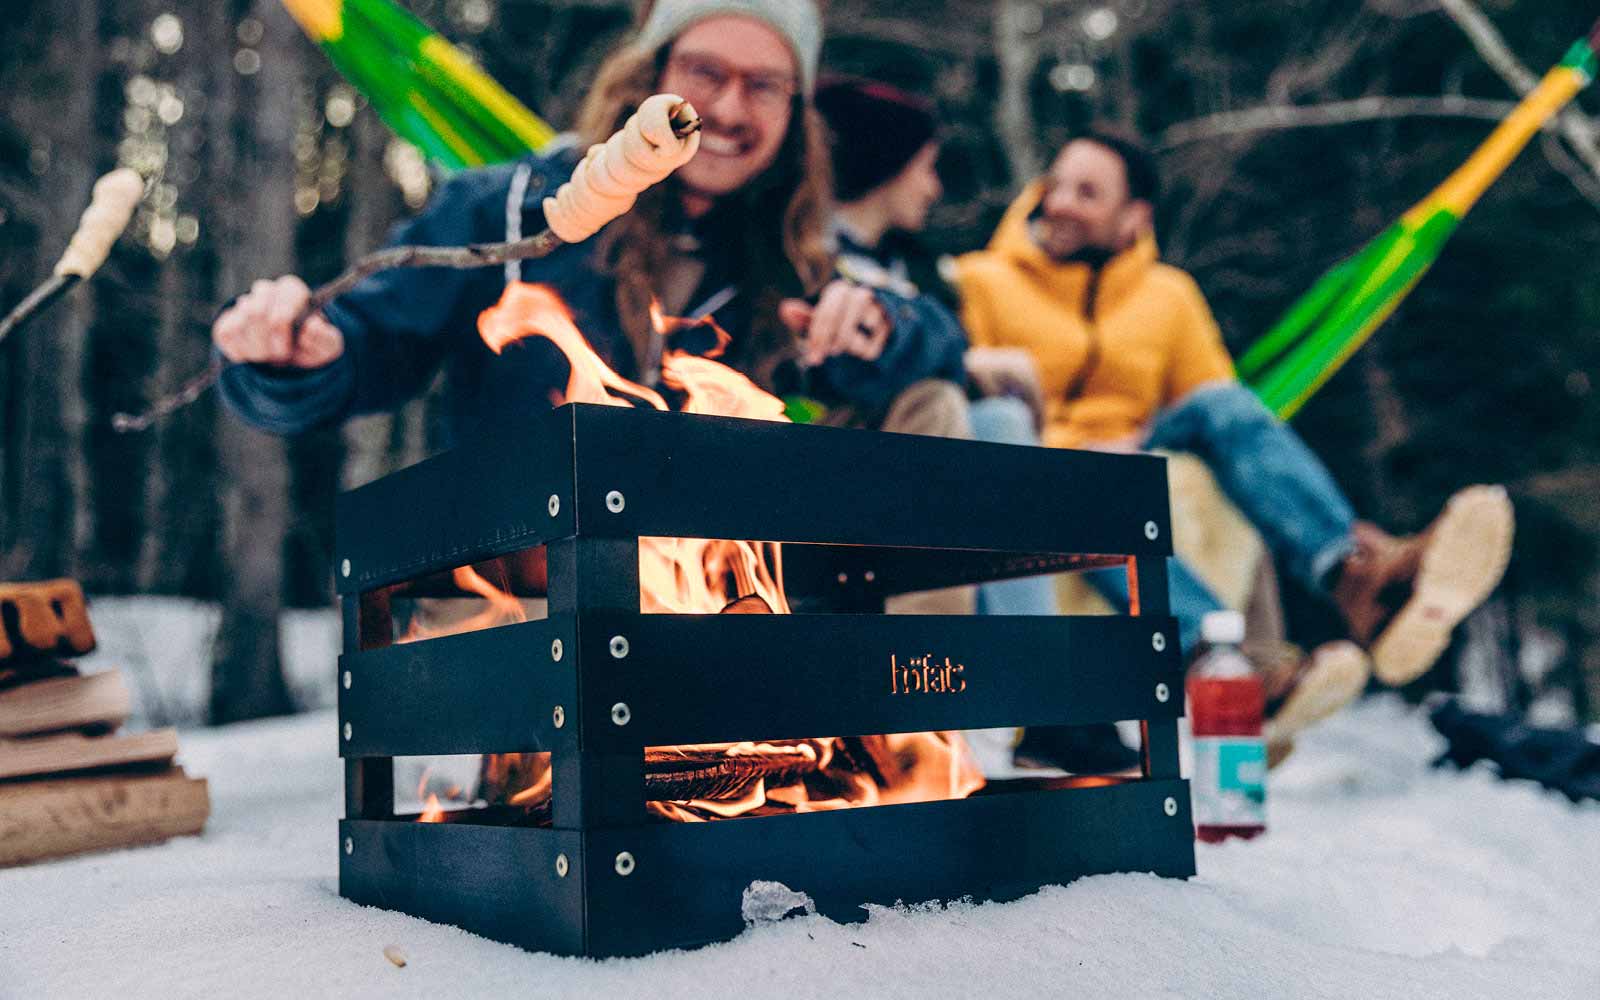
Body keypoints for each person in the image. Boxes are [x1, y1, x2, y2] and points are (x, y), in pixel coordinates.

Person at [212, 0, 971, 466]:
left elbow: (940, 349)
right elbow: (370, 344)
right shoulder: (505, 209)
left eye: (764, 85)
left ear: (797, 110)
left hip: (717, 597)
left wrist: (878, 327)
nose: (731, 111)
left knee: (932, 402)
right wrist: (299, 356)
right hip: (526, 590)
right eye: (706, 72)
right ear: (650, 75)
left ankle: (909, 703)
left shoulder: (789, 252)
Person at [953, 126, 1516, 697]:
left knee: (1223, 405)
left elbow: (1216, 405)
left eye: (1088, 193)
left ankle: (1352, 571)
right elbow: (974, 405)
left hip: (1137, 439)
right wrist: (1065, 450)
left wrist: (1135, 439)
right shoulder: (981, 282)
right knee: (1082, 485)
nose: (1062, 204)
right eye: (1058, 185)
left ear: (1135, 217)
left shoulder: (1168, 294)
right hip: (1035, 459)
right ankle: (1223, 658)